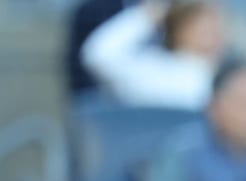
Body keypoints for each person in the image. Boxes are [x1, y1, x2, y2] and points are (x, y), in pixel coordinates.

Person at [81, 0, 228, 109]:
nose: (214, 31)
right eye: (202, 25)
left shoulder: (233, 76)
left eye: (216, 23)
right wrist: (151, 13)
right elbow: (99, 55)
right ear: (179, 30)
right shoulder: (154, 70)